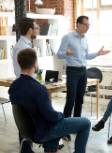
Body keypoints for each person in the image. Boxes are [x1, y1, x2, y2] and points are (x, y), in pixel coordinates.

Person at [9, 48, 91, 153]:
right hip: (42, 132)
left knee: (56, 123)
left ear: (20, 63)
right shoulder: (39, 89)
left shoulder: (14, 87)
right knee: (85, 123)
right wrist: (61, 115)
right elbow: (51, 116)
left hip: (28, 132)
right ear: (35, 64)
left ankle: (51, 149)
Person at [57, 16, 109, 129]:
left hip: (83, 71)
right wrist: (66, 52)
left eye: (88, 25)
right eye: (85, 25)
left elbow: (86, 56)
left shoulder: (85, 39)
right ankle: (65, 128)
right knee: (70, 100)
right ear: (78, 24)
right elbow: (59, 54)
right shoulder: (67, 37)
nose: (87, 27)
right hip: (72, 71)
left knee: (79, 100)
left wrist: (98, 53)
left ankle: (76, 125)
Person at [12, 17, 39, 153]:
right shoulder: (23, 47)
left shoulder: (23, 44)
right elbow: (28, 68)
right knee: (25, 122)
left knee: (25, 121)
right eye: (36, 28)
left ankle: (26, 148)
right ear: (30, 30)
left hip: (26, 85)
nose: (37, 30)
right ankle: (26, 149)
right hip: (26, 87)